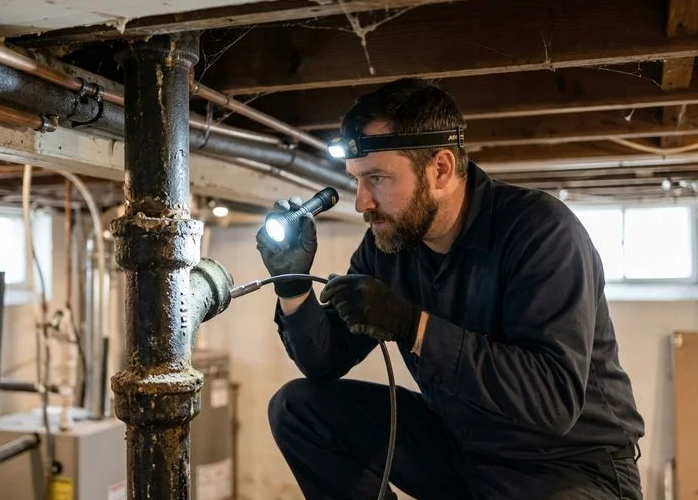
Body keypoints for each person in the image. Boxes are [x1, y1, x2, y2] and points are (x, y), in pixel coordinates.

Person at [255, 78, 645, 500]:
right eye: (356, 181)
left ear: (440, 169)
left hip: (566, 466)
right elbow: (325, 362)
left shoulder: (540, 231)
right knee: (299, 409)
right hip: (461, 447)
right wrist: (292, 286)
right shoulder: (390, 245)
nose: (361, 202)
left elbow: (552, 403)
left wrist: (414, 327)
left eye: (378, 179)